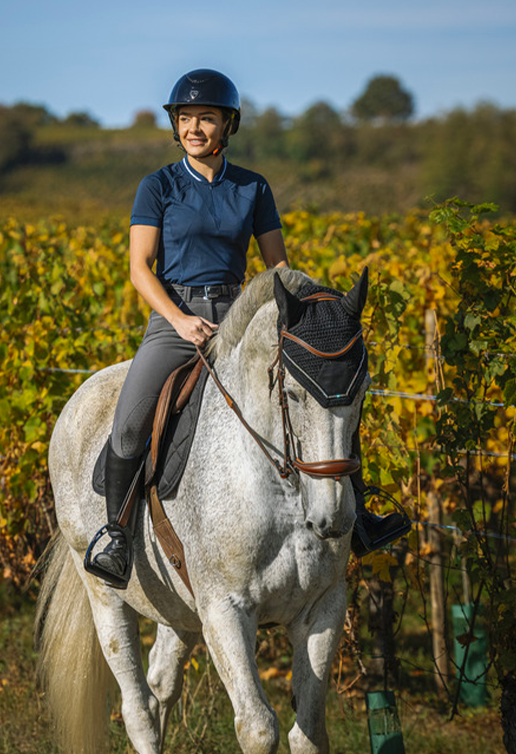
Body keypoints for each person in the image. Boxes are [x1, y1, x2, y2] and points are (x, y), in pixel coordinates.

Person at [85, 68, 409, 589]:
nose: (194, 128)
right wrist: (179, 319)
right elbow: (139, 268)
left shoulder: (253, 187)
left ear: (227, 125)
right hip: (176, 320)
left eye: (206, 119)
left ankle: (362, 515)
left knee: (324, 395)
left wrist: (309, 312)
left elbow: (277, 269)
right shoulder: (158, 187)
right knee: (129, 421)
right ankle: (116, 535)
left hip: (241, 317)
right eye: (185, 118)